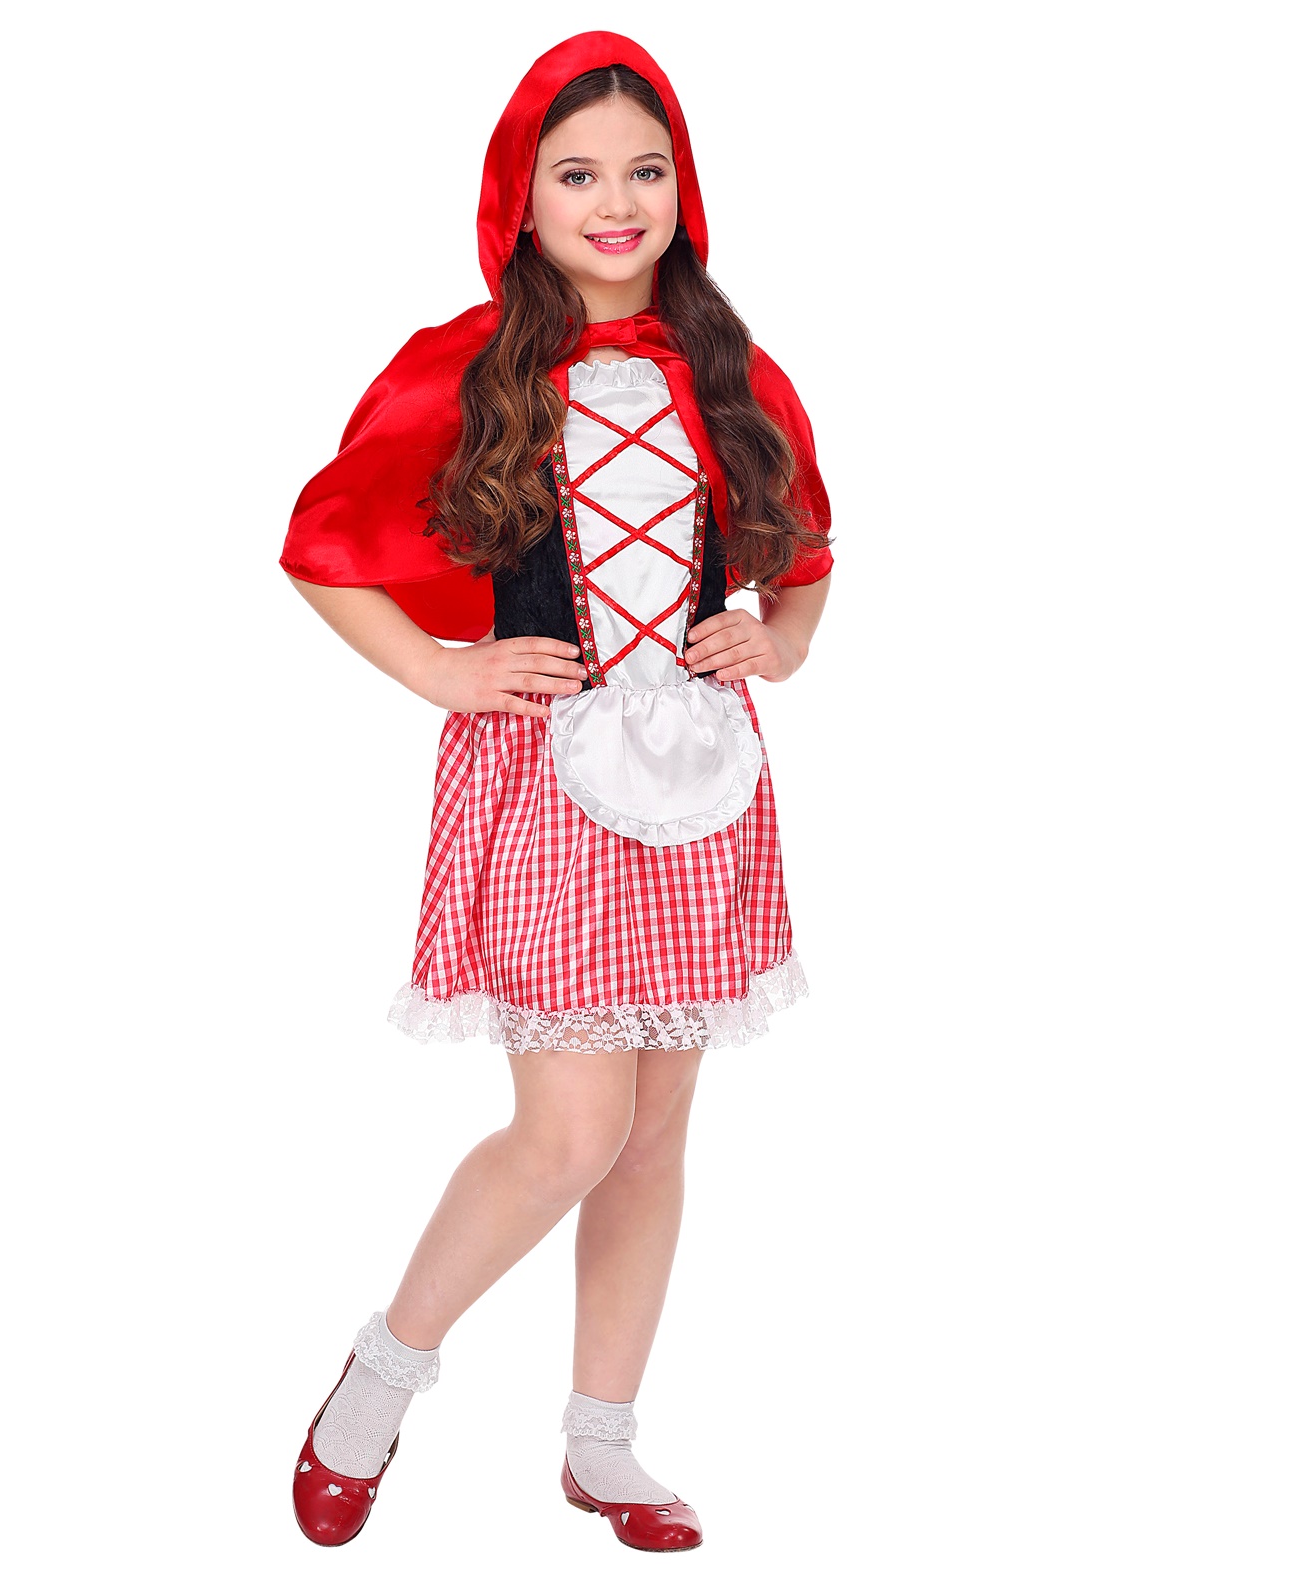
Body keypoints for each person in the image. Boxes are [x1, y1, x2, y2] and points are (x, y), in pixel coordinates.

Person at [279, 31, 835, 1553]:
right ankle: (381, 1374)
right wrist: (437, 668)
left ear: (682, 189)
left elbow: (803, 557)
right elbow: (322, 546)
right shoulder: (468, 365)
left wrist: (779, 640)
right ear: (520, 200)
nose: (616, 203)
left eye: (644, 172)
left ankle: (604, 1443)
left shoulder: (730, 368)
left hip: (700, 783)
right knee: (571, 1126)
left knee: (653, 1131)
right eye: (578, 175)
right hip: (542, 776)